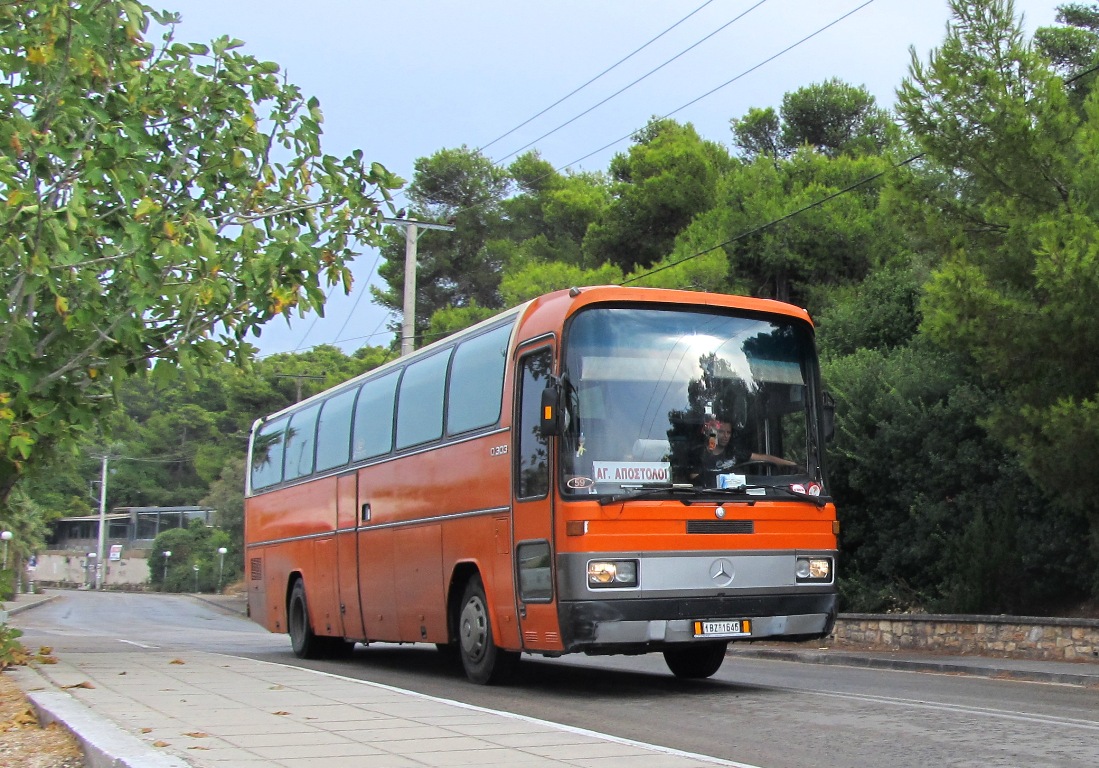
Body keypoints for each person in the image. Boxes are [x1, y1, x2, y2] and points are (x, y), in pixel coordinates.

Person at [696, 418, 796, 483]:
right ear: (713, 433)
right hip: (708, 498)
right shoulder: (700, 454)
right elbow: (693, 479)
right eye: (721, 432)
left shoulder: (735, 452)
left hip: (737, 498)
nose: (726, 436)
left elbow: (764, 458)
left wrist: (791, 464)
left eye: (729, 432)